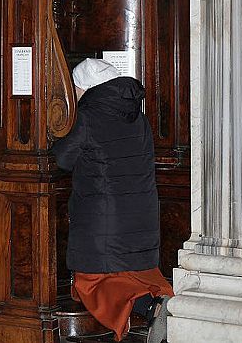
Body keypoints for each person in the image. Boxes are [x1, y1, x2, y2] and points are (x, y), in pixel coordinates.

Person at [52, 58, 173, 343]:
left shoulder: (86, 117)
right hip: (140, 214)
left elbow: (62, 159)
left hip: (104, 216)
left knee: (90, 281)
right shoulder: (138, 117)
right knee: (137, 271)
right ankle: (167, 299)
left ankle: (151, 306)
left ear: (83, 89)